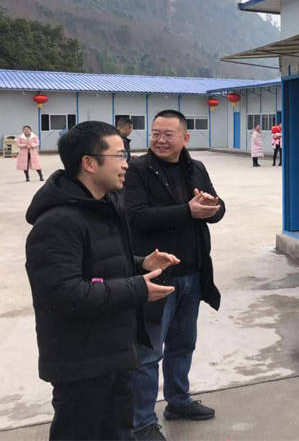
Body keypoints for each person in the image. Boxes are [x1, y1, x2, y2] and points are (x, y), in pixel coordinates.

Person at [24, 121, 179, 440]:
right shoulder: (57, 223)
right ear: (89, 163)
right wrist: (138, 288)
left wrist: (141, 264)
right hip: (81, 362)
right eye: (119, 155)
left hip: (113, 351)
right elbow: (64, 293)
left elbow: (99, 266)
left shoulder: (103, 205)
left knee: (117, 431)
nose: (127, 163)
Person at [125, 109, 225, 441]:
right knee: (148, 353)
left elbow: (217, 209)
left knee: (183, 344)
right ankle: (141, 422)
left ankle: (178, 401)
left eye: (168, 134)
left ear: (185, 137)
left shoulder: (195, 168)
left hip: (192, 274)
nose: (160, 140)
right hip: (158, 276)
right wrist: (187, 211)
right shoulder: (137, 170)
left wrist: (211, 206)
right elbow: (135, 217)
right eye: (155, 133)